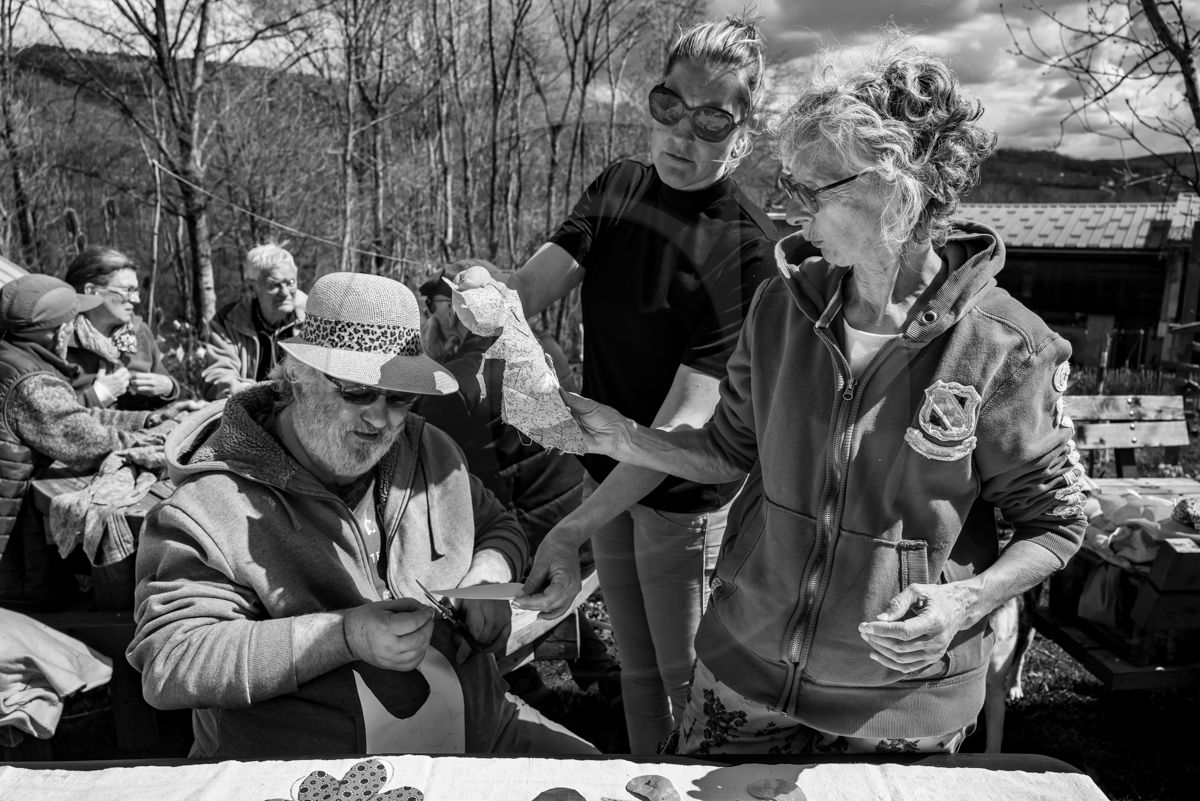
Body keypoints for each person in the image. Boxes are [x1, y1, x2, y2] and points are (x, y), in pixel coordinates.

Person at [519, 32, 1087, 754]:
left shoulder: (1007, 346)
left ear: (897, 190)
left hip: (901, 703)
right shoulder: (782, 307)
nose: (793, 211)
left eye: (813, 189)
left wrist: (965, 600)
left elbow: (1057, 522)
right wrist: (625, 437)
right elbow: (727, 451)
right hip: (742, 674)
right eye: (789, 186)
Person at [127, 272, 595, 759]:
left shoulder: (428, 449)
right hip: (322, 774)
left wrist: (487, 578)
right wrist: (342, 635)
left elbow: (498, 526)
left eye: (400, 397)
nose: (380, 418)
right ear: (299, 378)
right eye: (355, 391)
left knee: (614, 780)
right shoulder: (211, 505)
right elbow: (172, 660)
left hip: (481, 730)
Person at [478, 15, 776, 752]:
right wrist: (482, 295)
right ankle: (646, 784)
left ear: (743, 132)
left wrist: (568, 529)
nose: (681, 134)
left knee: (688, 682)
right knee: (639, 675)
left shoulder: (745, 250)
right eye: (669, 104)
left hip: (683, 498)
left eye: (712, 120)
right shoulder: (619, 185)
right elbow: (528, 286)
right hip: (604, 475)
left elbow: (678, 429)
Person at [416, 266, 622, 708]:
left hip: (536, 548)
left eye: (433, 308)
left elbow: (435, 479)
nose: (428, 320)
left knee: (458, 554)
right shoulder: (546, 348)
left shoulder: (454, 385)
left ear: (454, 313)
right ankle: (601, 672)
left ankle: (521, 690)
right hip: (578, 532)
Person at [0, 275, 178, 612]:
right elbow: (89, 443)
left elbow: (74, 415)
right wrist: (156, 439)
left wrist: (143, 421)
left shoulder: (12, 359)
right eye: (72, 321)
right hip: (16, 552)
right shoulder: (32, 385)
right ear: (60, 332)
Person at [63, 246, 181, 411]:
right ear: (91, 291)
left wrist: (169, 387)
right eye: (128, 290)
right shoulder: (60, 340)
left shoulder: (140, 333)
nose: (136, 299)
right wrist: (97, 396)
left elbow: (162, 388)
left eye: (136, 290)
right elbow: (47, 417)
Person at [201, 243, 306, 400]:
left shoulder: (313, 317)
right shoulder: (227, 321)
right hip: (249, 405)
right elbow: (218, 375)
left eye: (291, 282)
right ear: (252, 287)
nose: (285, 292)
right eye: (274, 285)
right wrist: (254, 394)